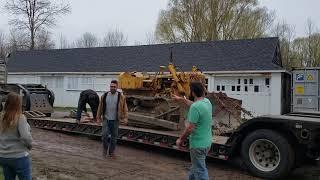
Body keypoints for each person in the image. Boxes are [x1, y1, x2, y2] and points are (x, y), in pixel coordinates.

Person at [174, 81, 213, 180]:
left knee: (200, 171)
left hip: (197, 145)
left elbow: (190, 128)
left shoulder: (195, 107)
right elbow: (194, 104)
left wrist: (180, 139)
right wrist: (181, 99)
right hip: (207, 142)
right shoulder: (206, 102)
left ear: (193, 93)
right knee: (195, 168)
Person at [0, 92, 33, 180]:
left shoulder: (1, 116)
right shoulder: (20, 117)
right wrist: (30, 146)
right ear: (18, 104)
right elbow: (25, 137)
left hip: (3, 156)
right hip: (19, 156)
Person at [96, 80, 128, 159]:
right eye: (111, 86)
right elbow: (100, 107)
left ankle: (111, 152)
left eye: (114, 86)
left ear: (117, 87)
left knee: (114, 137)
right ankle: (105, 149)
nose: (112, 88)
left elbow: (125, 108)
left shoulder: (121, 97)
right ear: (109, 87)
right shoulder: (105, 95)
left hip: (115, 120)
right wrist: (98, 118)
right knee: (104, 135)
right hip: (106, 119)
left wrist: (125, 118)